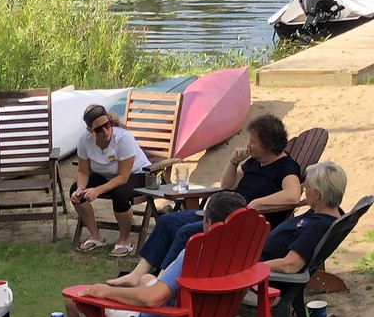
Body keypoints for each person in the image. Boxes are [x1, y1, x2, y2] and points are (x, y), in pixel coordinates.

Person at [108, 114, 302, 287]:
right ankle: (137, 275)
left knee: (186, 232)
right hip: (221, 214)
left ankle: (162, 282)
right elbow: (227, 184)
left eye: (253, 142)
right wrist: (233, 162)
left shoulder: (285, 167)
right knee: (168, 221)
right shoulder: (255, 162)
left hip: (243, 225)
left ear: (268, 145)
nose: (249, 145)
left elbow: (292, 195)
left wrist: (256, 204)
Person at [65, 192, 247, 317]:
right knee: (146, 278)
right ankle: (137, 280)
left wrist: (105, 292)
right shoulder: (244, 257)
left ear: (207, 222)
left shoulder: (195, 254)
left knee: (73, 303)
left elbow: (152, 299)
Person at [71, 105, 151, 256]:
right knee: (75, 192)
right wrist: (81, 188)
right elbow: (82, 171)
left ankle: (124, 240)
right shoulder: (84, 141)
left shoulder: (123, 138)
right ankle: (95, 235)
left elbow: (123, 177)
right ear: (90, 130)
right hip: (106, 174)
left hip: (138, 174)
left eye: (107, 125)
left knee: (120, 194)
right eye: (99, 129)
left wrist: (98, 190)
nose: (105, 131)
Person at [259, 161, 347, 273]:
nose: (304, 191)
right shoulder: (324, 211)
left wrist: (254, 268)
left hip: (261, 273)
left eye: (306, 187)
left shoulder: (317, 227)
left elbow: (290, 265)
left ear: (317, 194)